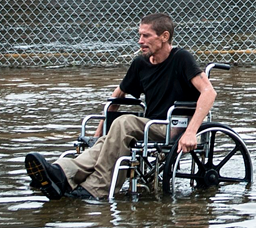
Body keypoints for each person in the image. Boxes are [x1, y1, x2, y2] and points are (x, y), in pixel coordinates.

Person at [24, 13, 216, 201]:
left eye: (146, 36)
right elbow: (117, 96)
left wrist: (191, 132)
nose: (140, 41)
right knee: (106, 141)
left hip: (174, 127)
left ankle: (96, 188)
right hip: (150, 124)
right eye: (139, 35)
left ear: (164, 36)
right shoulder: (140, 64)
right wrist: (98, 133)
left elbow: (209, 92)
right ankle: (62, 173)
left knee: (125, 123)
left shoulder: (181, 58)